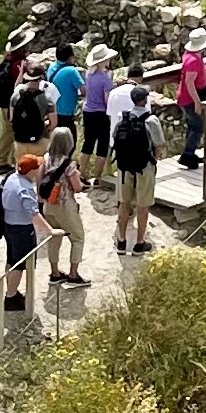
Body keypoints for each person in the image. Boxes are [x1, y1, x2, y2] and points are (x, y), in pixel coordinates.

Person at [110, 74, 159, 254]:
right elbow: (159, 145)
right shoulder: (151, 120)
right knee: (143, 206)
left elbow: (115, 138)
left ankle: (121, 241)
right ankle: (139, 243)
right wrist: (154, 160)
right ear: (144, 100)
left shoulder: (122, 119)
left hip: (124, 168)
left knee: (124, 204)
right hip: (144, 167)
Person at [0, 151, 43, 322]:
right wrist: (51, 230)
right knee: (19, 263)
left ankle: (11, 292)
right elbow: (34, 214)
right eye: (37, 167)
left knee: (11, 259)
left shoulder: (12, 178)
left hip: (9, 225)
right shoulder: (25, 188)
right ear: (31, 171)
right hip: (22, 229)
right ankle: (11, 297)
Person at [43, 150, 91, 293]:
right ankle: (73, 275)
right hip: (65, 205)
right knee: (77, 238)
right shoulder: (69, 164)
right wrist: (86, 186)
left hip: (48, 204)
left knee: (54, 237)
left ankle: (55, 273)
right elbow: (77, 187)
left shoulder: (46, 158)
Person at [172, 30, 206, 170]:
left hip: (186, 96)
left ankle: (189, 152)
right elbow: (189, 83)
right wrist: (197, 102)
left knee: (192, 125)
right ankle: (187, 154)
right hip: (189, 98)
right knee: (197, 126)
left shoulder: (191, 55)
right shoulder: (193, 61)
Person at [78, 47, 115, 185]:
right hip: (101, 113)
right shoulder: (105, 78)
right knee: (102, 147)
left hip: (88, 111)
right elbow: (106, 99)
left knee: (88, 144)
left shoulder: (88, 75)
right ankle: (98, 177)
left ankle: (81, 174)